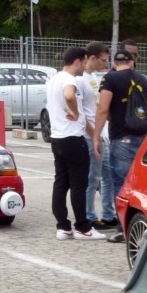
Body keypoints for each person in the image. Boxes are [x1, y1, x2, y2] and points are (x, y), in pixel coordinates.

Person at [93, 48, 147, 243]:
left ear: (114, 64)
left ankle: (123, 229)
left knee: (121, 185)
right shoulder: (142, 79)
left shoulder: (110, 79)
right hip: (142, 137)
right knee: (141, 183)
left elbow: (103, 108)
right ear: (131, 63)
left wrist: (96, 136)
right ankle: (142, 225)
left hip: (121, 138)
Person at [47, 47, 106, 241]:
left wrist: (94, 136)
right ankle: (83, 227)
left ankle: (63, 227)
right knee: (79, 184)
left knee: (61, 183)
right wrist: (74, 112)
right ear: (78, 61)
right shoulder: (69, 80)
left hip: (57, 138)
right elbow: (70, 96)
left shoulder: (53, 79)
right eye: (84, 61)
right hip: (73, 138)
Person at [80, 41, 116, 231]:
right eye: (103, 60)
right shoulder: (80, 80)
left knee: (109, 175)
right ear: (92, 58)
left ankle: (109, 214)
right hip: (91, 137)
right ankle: (89, 215)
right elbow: (82, 112)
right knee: (92, 178)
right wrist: (94, 134)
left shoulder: (94, 77)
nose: (105, 63)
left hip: (102, 135)